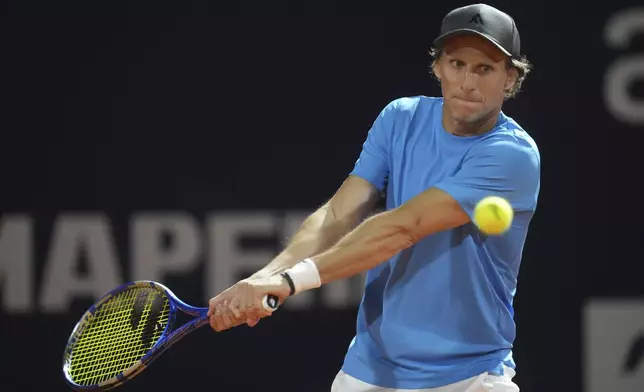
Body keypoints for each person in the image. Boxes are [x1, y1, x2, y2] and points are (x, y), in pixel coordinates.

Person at [207, 3, 539, 392]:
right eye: (457, 64)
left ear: (510, 79)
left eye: (485, 69)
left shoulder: (512, 155)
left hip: (470, 376)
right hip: (370, 371)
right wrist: (266, 276)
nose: (468, 82)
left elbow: (403, 227)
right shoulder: (400, 118)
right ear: (438, 68)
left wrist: (290, 282)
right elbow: (337, 214)